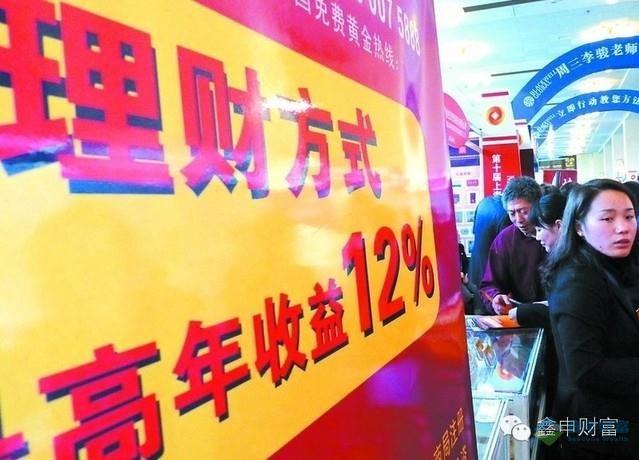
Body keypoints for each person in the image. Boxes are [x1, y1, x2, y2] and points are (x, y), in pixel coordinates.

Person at [543, 179, 639, 459]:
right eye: (607, 218)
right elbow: (586, 369)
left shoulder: (612, 267)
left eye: (629, 216)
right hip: (598, 429)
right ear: (579, 227)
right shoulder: (578, 281)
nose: (622, 227)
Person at [479, 176, 547, 315]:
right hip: (523, 316)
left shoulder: (555, 232)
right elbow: (489, 285)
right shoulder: (505, 240)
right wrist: (496, 298)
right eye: (512, 213)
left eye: (524, 212)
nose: (518, 219)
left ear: (538, 206)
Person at [468, 194, 510, 289]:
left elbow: (475, 232)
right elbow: (507, 250)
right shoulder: (507, 214)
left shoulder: (484, 203)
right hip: (492, 282)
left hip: (474, 273)